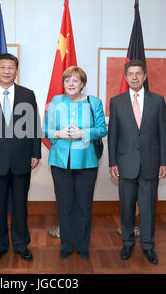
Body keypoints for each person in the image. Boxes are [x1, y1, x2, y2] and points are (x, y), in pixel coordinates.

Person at [0, 53, 41, 262]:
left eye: (10, 67)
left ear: (16, 70)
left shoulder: (27, 94)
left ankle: (22, 244)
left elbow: (34, 125)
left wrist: (35, 153)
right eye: (2, 67)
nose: (6, 71)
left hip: (22, 158)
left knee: (21, 204)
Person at [108, 59, 166, 265]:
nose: (134, 77)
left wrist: (164, 162)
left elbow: (163, 133)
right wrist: (113, 162)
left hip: (151, 164)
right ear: (125, 78)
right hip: (125, 164)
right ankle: (127, 243)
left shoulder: (158, 101)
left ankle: (148, 246)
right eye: (130, 74)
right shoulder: (116, 102)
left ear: (145, 76)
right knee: (126, 207)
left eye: (138, 73)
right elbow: (113, 135)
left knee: (148, 208)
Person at [43, 66, 107, 259]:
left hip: (87, 162)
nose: (71, 83)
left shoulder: (93, 102)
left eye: (75, 80)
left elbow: (102, 129)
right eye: (67, 80)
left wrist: (83, 133)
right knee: (64, 205)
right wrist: (58, 133)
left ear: (82, 84)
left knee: (84, 205)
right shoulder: (56, 101)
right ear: (63, 84)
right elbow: (45, 129)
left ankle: (82, 246)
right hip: (60, 162)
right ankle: (66, 245)